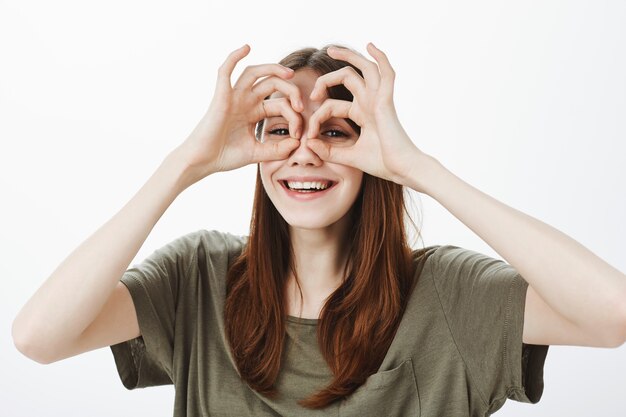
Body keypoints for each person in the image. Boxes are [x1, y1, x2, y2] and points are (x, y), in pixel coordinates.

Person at [12, 43, 626, 417]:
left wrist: (419, 169)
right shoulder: (198, 278)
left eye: (334, 131)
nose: (304, 153)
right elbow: (38, 336)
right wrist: (183, 166)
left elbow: (612, 313)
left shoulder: (445, 292)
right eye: (281, 130)